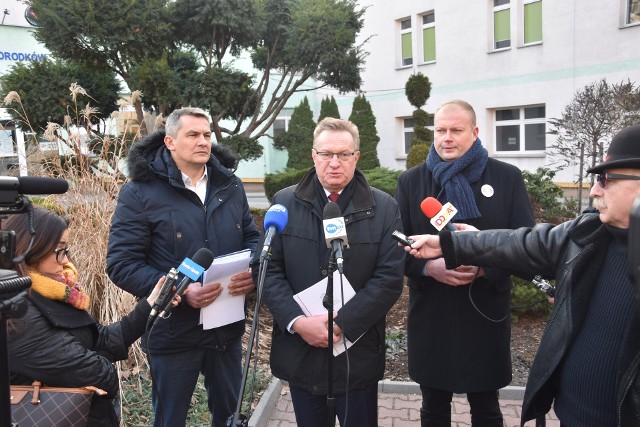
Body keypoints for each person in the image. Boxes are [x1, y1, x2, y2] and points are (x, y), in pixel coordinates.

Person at [404, 124, 640, 426]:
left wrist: (481, 267)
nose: (595, 190)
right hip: (572, 414)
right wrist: (447, 244)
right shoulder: (588, 232)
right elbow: (521, 243)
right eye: (596, 179)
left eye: (606, 179)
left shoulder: (506, 176)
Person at [106, 107, 259, 427]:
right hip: (172, 331)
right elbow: (122, 263)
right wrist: (178, 290)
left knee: (230, 418)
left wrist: (253, 272)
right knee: (170, 419)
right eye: (193, 135)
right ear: (170, 142)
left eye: (207, 135)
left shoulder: (230, 186)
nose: (203, 141)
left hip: (225, 330)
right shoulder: (139, 193)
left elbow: (251, 238)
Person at [394, 99, 535, 426]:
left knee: (487, 409)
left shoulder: (507, 178)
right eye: (440, 130)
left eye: (456, 130)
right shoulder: (412, 182)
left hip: (485, 314)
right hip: (432, 314)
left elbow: (526, 246)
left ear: (474, 132)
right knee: (433, 409)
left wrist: (487, 265)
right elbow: (395, 247)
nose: (447, 138)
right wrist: (429, 268)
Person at [258, 117, 405, 426]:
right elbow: (267, 270)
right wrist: (297, 322)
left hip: (356, 354)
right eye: (326, 154)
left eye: (344, 154)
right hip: (302, 351)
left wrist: (343, 324)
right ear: (314, 155)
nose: (334, 163)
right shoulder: (284, 203)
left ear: (356, 157)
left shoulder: (384, 208)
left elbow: (389, 278)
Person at [6, 206, 177, 427]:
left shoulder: (53, 291)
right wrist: (95, 357)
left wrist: (150, 305)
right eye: (59, 250)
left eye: (66, 249)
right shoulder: (17, 314)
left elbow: (100, 338)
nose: (66, 260)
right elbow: (99, 375)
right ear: (28, 250)